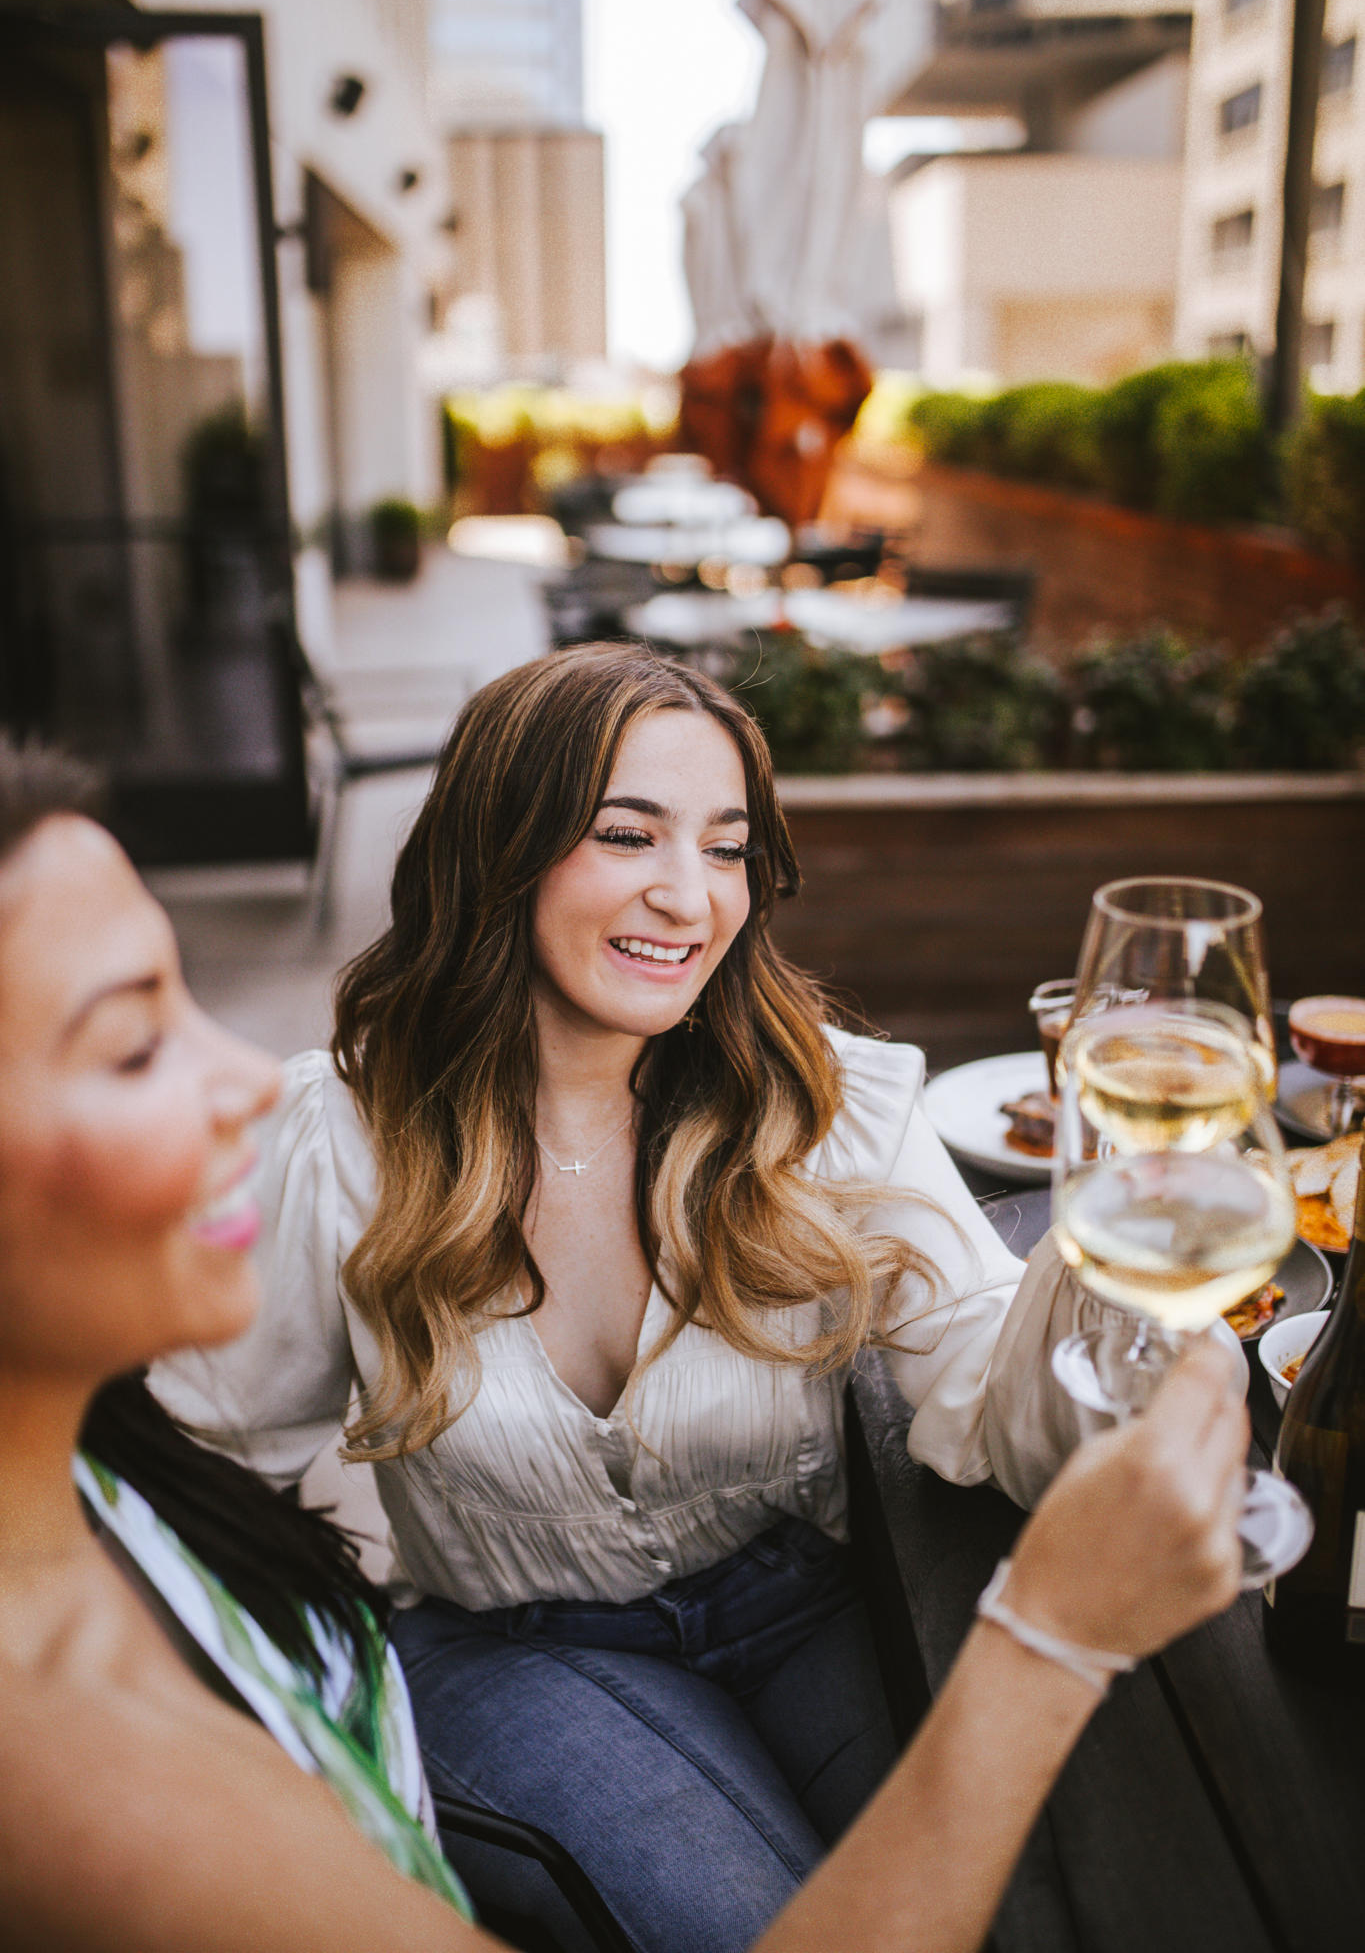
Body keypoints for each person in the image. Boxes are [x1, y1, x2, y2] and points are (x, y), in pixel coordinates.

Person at [0, 732, 1249, 1953]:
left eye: (727, 846)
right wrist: (314, 1730)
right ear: (503, 847)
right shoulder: (339, 1136)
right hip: (506, 1645)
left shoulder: (825, 1099)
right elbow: (208, 1452)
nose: (688, 890)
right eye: (626, 832)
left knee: (1037, 1897)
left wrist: (1119, 1216)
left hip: (799, 1593)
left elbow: (1001, 1409)